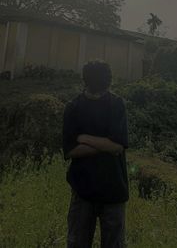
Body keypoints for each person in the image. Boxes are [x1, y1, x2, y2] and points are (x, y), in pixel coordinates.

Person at [63, 60, 129, 248]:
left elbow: (118, 147)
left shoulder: (117, 104)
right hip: (83, 190)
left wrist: (84, 138)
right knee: (77, 243)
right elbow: (71, 151)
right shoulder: (73, 107)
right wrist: (106, 144)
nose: (100, 94)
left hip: (113, 191)